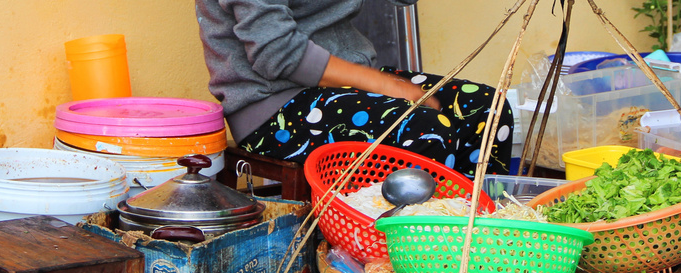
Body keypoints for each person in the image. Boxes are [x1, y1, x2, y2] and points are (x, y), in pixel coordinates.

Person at [195, 0, 514, 178]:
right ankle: (416, 265)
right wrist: (387, 86)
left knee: (485, 109)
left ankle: (474, 242)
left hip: (346, 82)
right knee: (425, 128)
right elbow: (275, 52)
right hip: (272, 101)